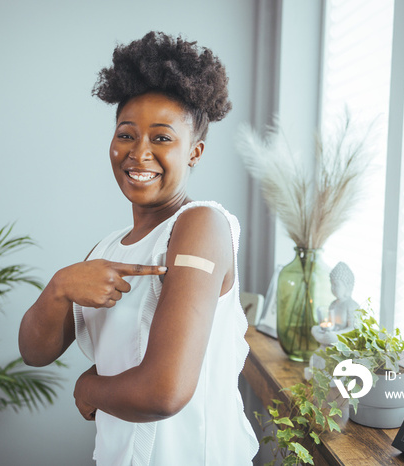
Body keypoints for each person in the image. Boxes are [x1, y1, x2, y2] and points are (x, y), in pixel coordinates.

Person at [18, 31, 258, 466]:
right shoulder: (107, 248)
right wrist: (59, 288)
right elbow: (34, 352)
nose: (138, 153)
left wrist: (89, 389)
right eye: (126, 134)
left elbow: (163, 392)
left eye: (162, 138)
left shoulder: (200, 225)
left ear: (195, 152)